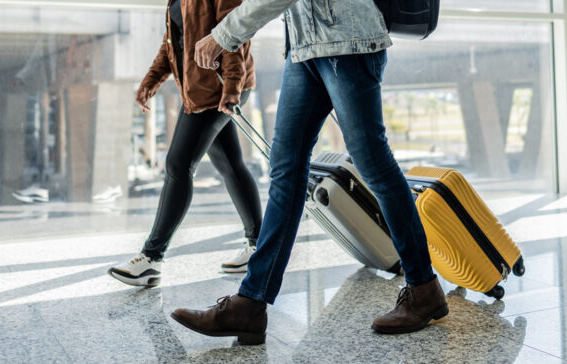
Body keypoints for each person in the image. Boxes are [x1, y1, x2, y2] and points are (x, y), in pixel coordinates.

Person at [169, 0, 449, 344]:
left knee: (374, 164)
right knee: (285, 172)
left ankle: (423, 288)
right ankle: (251, 304)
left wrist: (224, 34)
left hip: (348, 41)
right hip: (304, 49)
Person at [108, 0, 263, 287]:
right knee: (229, 164)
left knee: (178, 165)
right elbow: (172, 44)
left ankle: (151, 259)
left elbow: (233, 35)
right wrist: (149, 83)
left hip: (217, 90)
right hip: (200, 91)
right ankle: (259, 247)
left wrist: (231, 88)